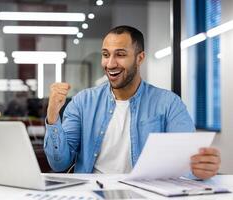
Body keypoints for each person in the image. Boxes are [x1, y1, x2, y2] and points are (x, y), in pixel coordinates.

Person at [44, 25, 221, 179]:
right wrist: (52, 117)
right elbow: (59, 163)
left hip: (145, 193)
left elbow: (187, 163)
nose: (110, 63)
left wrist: (200, 169)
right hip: (93, 193)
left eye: (120, 54)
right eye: (106, 54)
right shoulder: (83, 102)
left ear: (140, 58)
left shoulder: (169, 104)